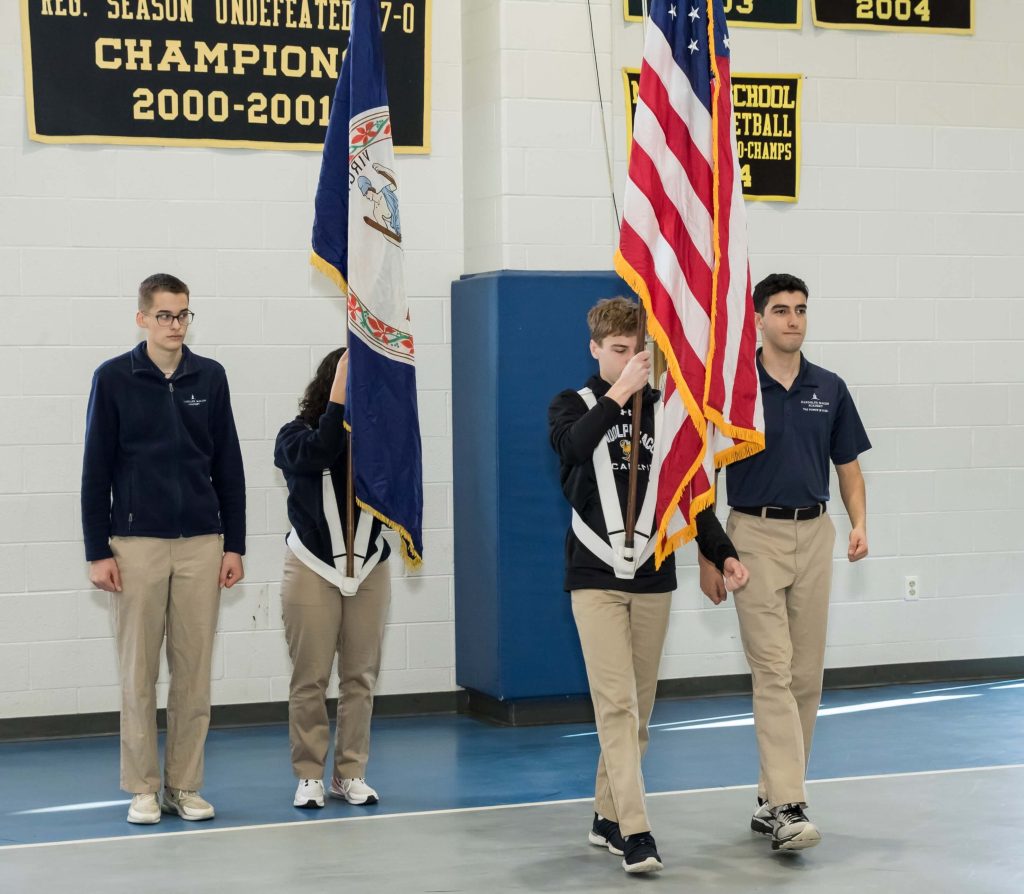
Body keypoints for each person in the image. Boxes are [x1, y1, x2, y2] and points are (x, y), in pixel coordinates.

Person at [548, 297, 750, 875]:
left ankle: (607, 814)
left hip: (654, 577)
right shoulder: (573, 404)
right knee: (614, 704)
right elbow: (570, 449)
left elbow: (691, 496)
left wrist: (723, 553)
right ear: (595, 349)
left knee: (638, 709)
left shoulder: (667, 415)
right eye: (619, 350)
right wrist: (618, 394)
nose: (632, 360)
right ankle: (637, 832)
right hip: (595, 577)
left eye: (640, 351)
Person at [700, 273, 870, 852]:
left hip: (815, 534)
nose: (792, 319)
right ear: (758, 319)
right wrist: (710, 554)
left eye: (800, 309)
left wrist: (858, 523)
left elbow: (847, 466)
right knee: (771, 670)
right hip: (751, 536)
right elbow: (706, 476)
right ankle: (791, 805)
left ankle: (772, 794)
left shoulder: (830, 387)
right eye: (780, 310)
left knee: (805, 676)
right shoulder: (733, 388)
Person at [81, 273, 246, 825]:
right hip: (135, 546)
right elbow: (95, 470)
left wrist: (234, 544)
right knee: (138, 673)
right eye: (165, 316)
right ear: (142, 319)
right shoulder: (113, 379)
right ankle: (143, 788)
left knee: (193, 673)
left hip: (202, 543)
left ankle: (184, 784)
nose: (175, 325)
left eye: (183, 315)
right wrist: (97, 549)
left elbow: (229, 466)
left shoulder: (211, 377)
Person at [274, 347, 391, 810]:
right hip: (311, 567)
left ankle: (351, 772)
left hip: (369, 568)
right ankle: (309, 775)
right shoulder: (294, 435)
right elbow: (323, 449)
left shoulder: (382, 438)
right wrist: (340, 402)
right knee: (311, 678)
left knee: (360, 676)